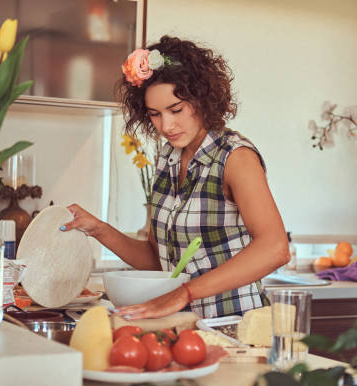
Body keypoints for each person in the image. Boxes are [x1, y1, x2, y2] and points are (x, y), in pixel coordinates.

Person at [62, 36, 290, 319]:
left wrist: (185, 292)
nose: (166, 126)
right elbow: (159, 260)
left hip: (234, 326)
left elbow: (276, 248)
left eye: (176, 110)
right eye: (155, 114)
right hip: (185, 326)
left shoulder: (235, 158)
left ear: (202, 99)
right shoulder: (167, 159)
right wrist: (97, 228)